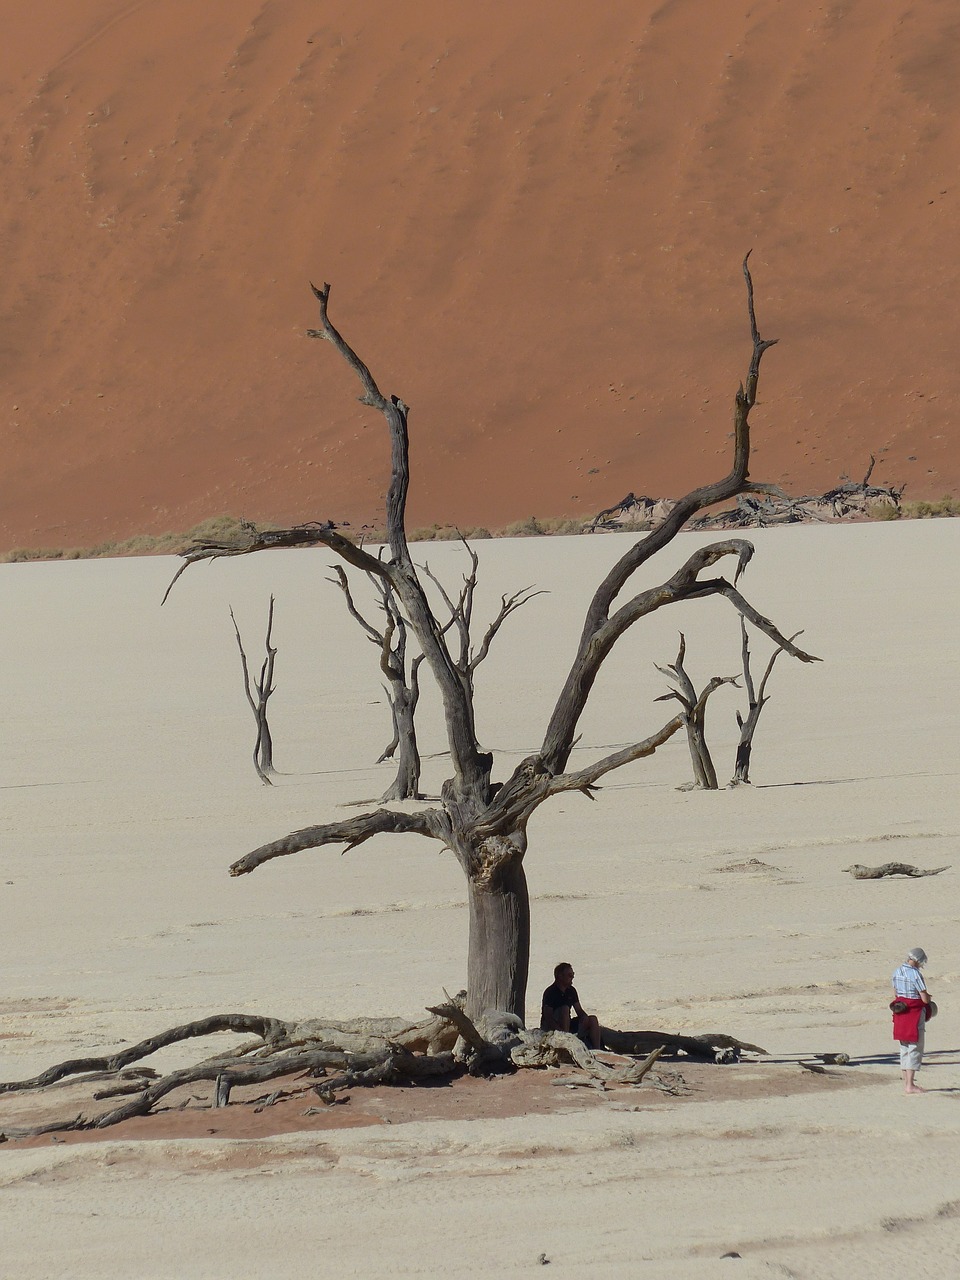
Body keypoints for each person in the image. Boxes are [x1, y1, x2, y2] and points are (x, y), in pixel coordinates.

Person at [891, 946, 933, 1094]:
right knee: (914, 1047)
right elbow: (924, 998)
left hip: (900, 1011)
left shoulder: (896, 971)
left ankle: (907, 1083)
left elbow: (896, 993)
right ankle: (910, 1085)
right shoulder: (915, 974)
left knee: (904, 1046)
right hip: (914, 1012)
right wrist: (929, 998)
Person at [540, 962, 602, 1050]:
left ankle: (597, 1050)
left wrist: (584, 1017)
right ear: (560, 976)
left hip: (567, 1024)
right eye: (569, 975)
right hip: (552, 1028)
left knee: (592, 1019)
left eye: (573, 974)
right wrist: (560, 1031)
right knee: (565, 1009)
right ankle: (565, 1042)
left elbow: (579, 1010)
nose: (572, 977)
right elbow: (548, 1017)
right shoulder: (550, 992)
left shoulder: (571, 991)